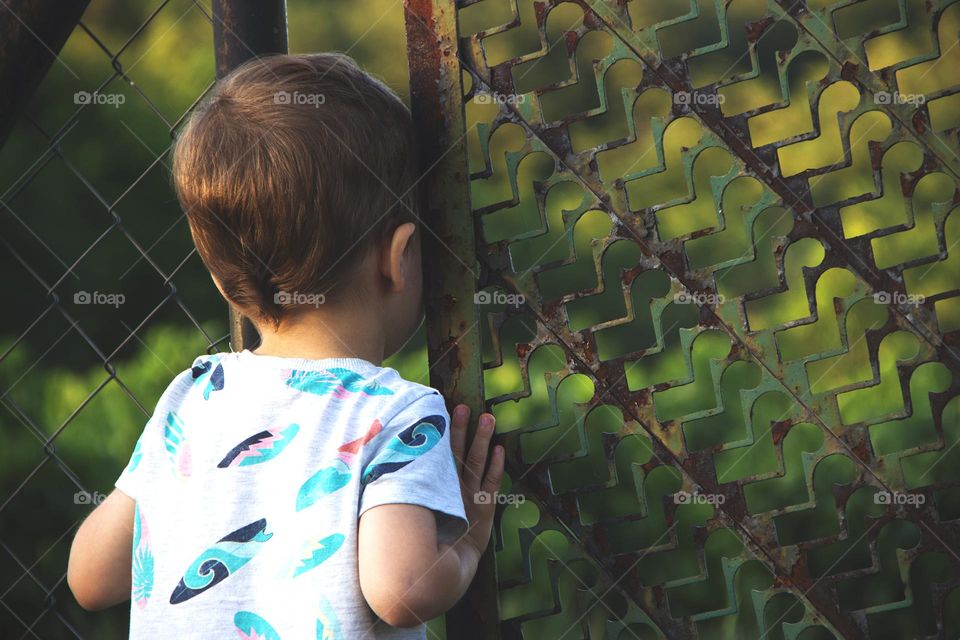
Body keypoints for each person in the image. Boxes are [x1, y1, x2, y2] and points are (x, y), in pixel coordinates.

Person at [66, 52, 504, 639]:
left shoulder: (196, 396)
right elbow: (401, 590)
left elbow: (91, 577)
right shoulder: (396, 416)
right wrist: (468, 547)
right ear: (399, 257)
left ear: (224, 280)